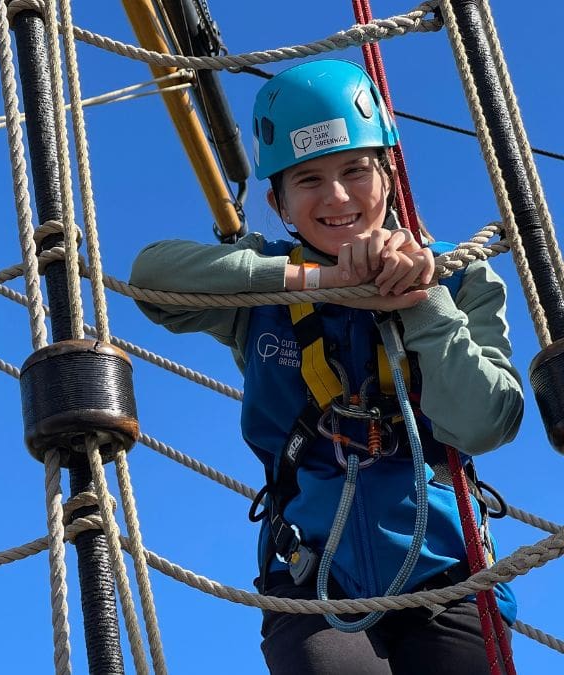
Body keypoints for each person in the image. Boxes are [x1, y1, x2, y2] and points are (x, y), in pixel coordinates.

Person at [130, 59, 523, 674]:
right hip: (313, 578)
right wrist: (321, 281)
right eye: (308, 179)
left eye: (354, 170)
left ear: (388, 175)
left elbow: (485, 425)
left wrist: (423, 304)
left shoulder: (459, 273)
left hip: (449, 574)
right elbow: (152, 278)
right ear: (278, 202)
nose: (337, 196)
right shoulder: (261, 286)